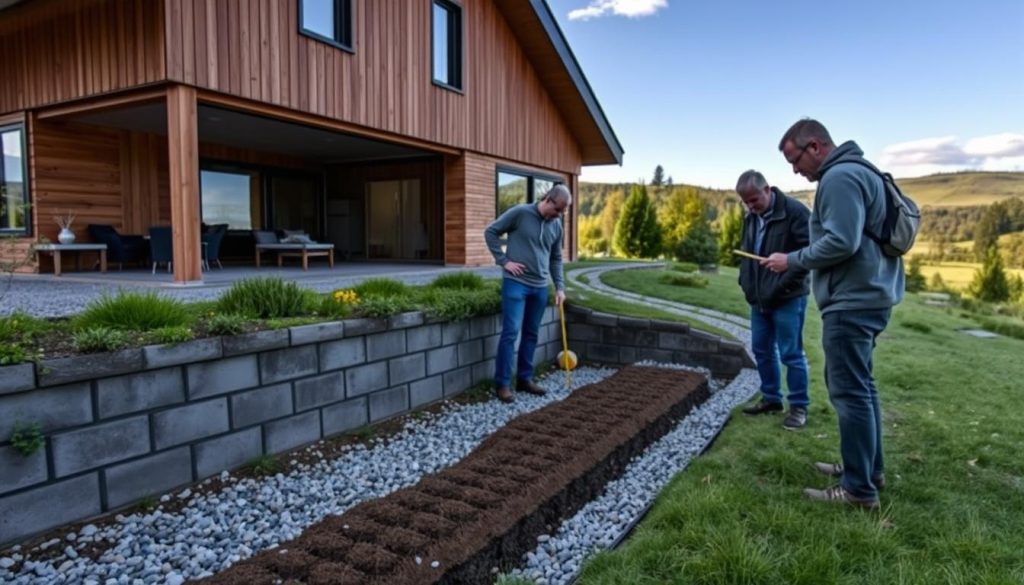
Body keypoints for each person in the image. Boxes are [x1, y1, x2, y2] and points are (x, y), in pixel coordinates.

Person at [762, 119, 904, 509]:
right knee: (864, 387)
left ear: (817, 146)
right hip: (870, 295)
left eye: (795, 159)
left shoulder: (839, 178)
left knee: (850, 392)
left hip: (852, 301)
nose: (794, 170)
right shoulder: (863, 170)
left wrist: (790, 260)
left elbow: (841, 241)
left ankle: (859, 490)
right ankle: (868, 470)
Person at [735, 170, 811, 430]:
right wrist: (745, 283)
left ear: (767, 189)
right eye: (746, 202)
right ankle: (771, 399)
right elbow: (746, 254)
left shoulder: (796, 212)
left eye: (754, 200)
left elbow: (809, 255)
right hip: (758, 299)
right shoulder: (750, 217)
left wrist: (780, 285)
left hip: (788, 296)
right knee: (761, 349)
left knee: (791, 353)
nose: (751, 206)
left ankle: (799, 407)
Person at [484, 184, 570, 403]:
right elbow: (491, 231)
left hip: (540, 286)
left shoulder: (556, 225)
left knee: (531, 333)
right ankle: (503, 384)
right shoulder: (520, 213)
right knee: (511, 332)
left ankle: (524, 379)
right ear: (549, 200)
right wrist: (504, 261)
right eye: (558, 210)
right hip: (516, 284)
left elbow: (556, 258)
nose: (559, 215)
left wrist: (559, 287)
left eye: (562, 212)